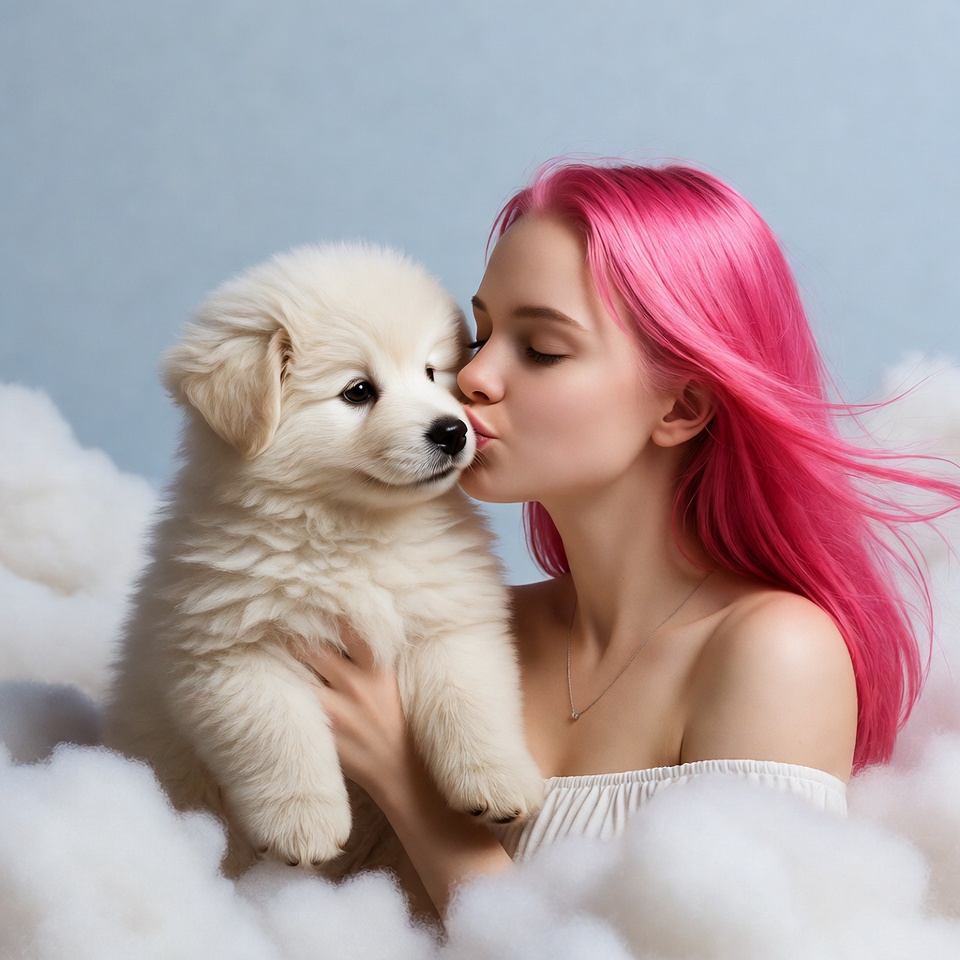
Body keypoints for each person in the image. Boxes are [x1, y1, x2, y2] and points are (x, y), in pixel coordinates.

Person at [301, 160, 958, 915]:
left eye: (541, 349)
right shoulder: (457, 634)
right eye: (479, 334)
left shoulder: (774, 654)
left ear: (680, 407)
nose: (475, 376)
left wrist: (412, 792)